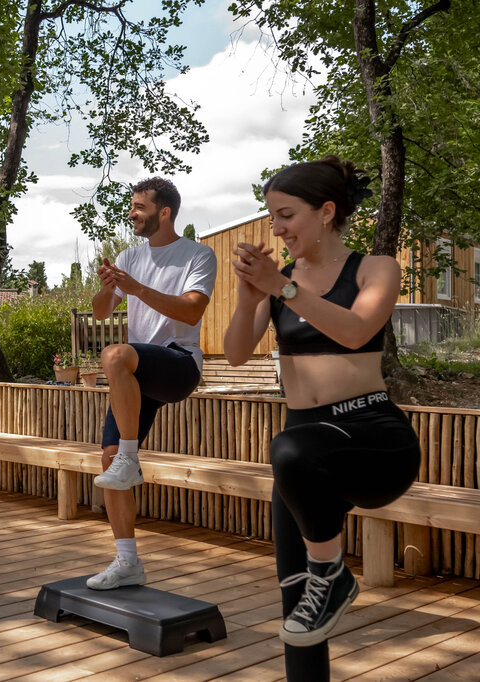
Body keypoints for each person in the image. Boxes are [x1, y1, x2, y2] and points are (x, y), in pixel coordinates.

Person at [223, 156, 421, 681]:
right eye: (272, 218)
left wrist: (283, 289)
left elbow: (355, 331)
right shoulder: (280, 281)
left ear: (327, 212)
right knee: (300, 611)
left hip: (370, 436)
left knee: (290, 450)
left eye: (286, 215)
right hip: (302, 451)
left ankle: (331, 573)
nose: (277, 229)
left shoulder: (375, 268)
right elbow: (236, 354)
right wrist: (248, 298)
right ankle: (326, 580)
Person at [87, 177, 217, 589]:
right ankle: (128, 562)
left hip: (178, 364)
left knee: (115, 354)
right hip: (137, 374)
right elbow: (101, 313)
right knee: (109, 461)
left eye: (139, 207)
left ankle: (130, 458)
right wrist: (109, 288)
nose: (131, 214)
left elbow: (192, 312)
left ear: (164, 212)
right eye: (131, 206)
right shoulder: (129, 256)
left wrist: (137, 288)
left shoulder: (197, 255)